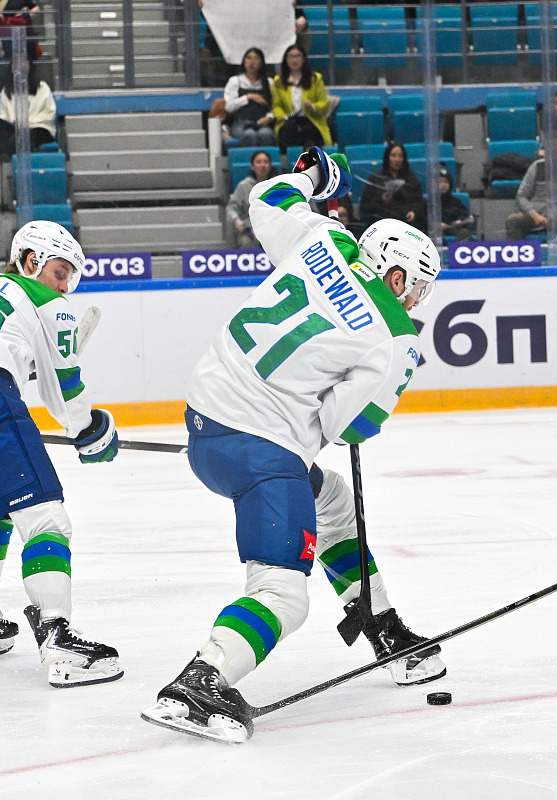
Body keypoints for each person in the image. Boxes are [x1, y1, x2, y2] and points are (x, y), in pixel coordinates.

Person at [141, 147, 445, 744]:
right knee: (283, 594)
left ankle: (380, 623)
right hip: (261, 450)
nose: (415, 302)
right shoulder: (394, 338)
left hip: (204, 421)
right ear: (396, 275)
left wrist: (313, 176)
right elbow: (347, 426)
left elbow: (267, 199)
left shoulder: (323, 240)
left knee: (331, 501)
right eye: (417, 288)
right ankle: (201, 680)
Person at [0, 221, 123, 686]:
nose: (65, 286)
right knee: (45, 519)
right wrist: (91, 431)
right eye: (60, 272)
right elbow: (65, 391)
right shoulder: (44, 300)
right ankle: (58, 639)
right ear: (31, 260)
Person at [506, 130, 557, 241]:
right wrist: (534, 214)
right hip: (535, 214)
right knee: (513, 220)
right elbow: (521, 196)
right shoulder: (536, 166)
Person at [271, 44, 331, 150]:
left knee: (309, 131)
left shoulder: (315, 79)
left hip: (310, 118)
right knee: (288, 131)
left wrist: (313, 106)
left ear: (303, 59)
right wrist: (283, 116)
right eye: (291, 56)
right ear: (286, 59)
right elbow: (276, 106)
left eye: (298, 56)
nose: (294, 60)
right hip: (289, 119)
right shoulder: (278, 81)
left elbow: (324, 102)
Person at [360, 141, 426, 230]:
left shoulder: (411, 179)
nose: (397, 159)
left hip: (406, 224)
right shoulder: (376, 178)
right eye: (393, 155)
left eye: (400, 156)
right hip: (382, 225)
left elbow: (420, 202)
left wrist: (414, 212)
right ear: (387, 157)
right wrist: (381, 200)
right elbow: (364, 206)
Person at [0, 64, 56, 161]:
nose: (20, 66)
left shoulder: (42, 87)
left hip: (39, 127)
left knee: (19, 139)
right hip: (14, 129)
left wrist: (28, 122)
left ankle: (16, 164)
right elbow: (3, 114)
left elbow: (49, 112)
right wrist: (13, 121)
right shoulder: (6, 90)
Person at [223, 47, 276, 149]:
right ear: (244, 61)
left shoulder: (269, 82)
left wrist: (270, 117)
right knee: (249, 134)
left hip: (263, 123)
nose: (252, 62)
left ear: (261, 62)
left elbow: (275, 106)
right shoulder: (235, 81)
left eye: (256, 58)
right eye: (248, 58)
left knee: (266, 134)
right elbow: (229, 107)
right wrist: (248, 97)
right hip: (241, 123)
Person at [227, 150, 278, 249]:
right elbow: (231, 208)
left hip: (274, 229)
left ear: (270, 166)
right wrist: (236, 220)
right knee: (246, 242)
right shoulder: (243, 186)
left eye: (266, 162)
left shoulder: (277, 185)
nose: (262, 165)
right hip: (249, 230)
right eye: (258, 162)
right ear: (252, 167)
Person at [434, 165, 476, 241]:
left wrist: (458, 221)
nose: (443, 185)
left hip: (453, 228)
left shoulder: (455, 201)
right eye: (440, 182)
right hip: (436, 230)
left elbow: (464, 215)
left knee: (464, 233)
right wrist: (437, 224)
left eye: (446, 182)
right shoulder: (429, 202)